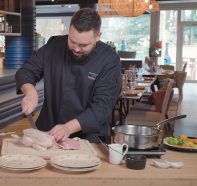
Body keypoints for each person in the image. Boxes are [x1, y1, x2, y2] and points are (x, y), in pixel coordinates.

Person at [15, 8, 122, 143]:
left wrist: (68, 128)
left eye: (84, 45)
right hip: (49, 130)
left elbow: (102, 106)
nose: (77, 49)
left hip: (88, 138)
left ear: (98, 36)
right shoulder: (54, 46)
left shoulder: (109, 60)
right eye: (72, 41)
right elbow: (27, 71)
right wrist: (30, 92)